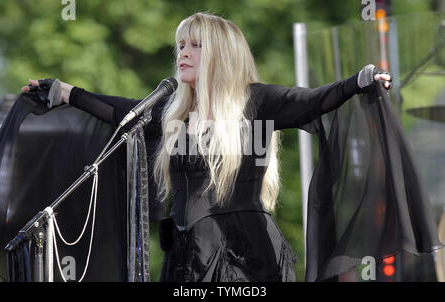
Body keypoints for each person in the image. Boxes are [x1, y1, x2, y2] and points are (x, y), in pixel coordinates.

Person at [21, 12, 392, 282]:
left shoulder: (254, 102)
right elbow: (124, 111)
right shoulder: (175, 113)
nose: (183, 52)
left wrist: (358, 81)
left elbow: (311, 100)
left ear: (221, 55)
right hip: (185, 256)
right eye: (181, 45)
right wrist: (66, 93)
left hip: (242, 259)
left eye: (195, 46)